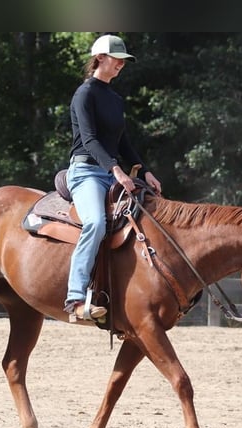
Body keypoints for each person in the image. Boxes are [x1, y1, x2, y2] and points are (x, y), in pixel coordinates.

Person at [64, 33, 162, 321]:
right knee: (95, 223)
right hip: (86, 172)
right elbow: (90, 140)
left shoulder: (115, 99)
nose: (121, 65)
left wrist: (144, 170)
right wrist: (117, 170)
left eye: (123, 61)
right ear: (100, 58)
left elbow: (123, 144)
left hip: (110, 173)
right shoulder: (85, 94)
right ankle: (75, 298)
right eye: (116, 59)